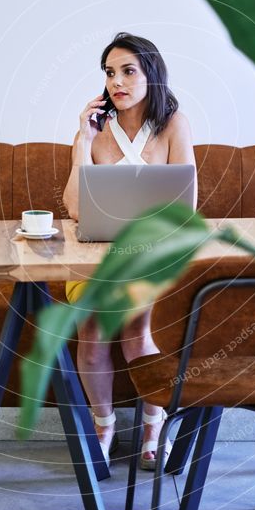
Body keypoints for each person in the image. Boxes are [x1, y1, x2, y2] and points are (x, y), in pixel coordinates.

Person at [62, 32, 197, 470]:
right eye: (109, 73)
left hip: (151, 259)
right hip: (98, 258)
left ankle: (153, 425)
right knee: (93, 335)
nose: (116, 81)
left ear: (150, 74)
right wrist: (81, 140)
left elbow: (186, 205)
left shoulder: (173, 124)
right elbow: (75, 208)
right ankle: (104, 425)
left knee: (138, 331)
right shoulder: (96, 133)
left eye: (127, 71)